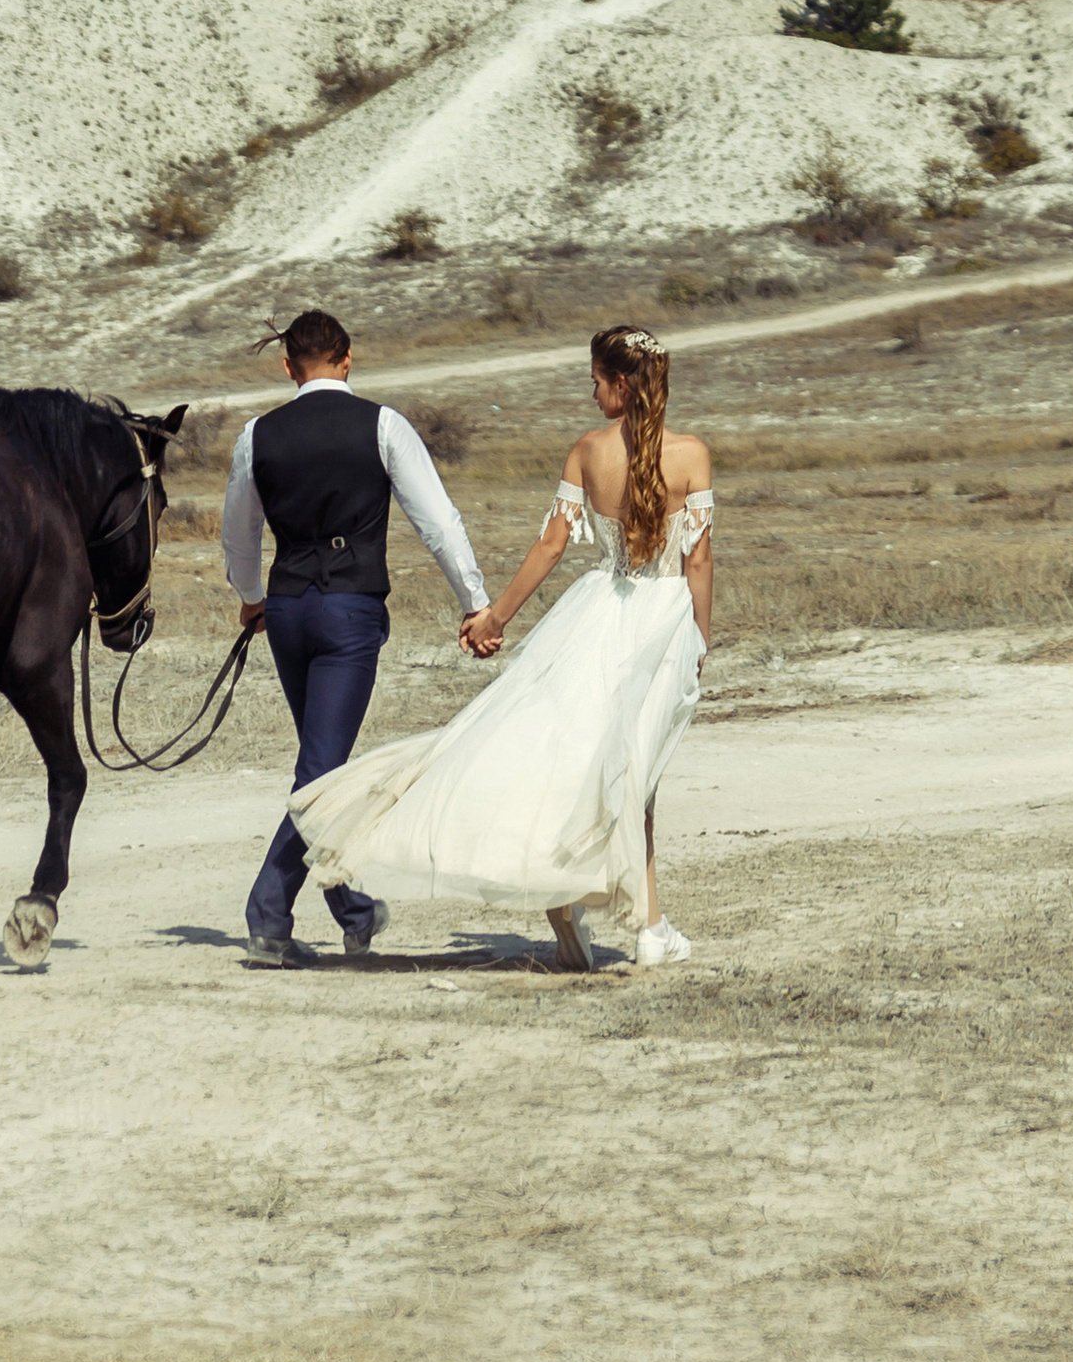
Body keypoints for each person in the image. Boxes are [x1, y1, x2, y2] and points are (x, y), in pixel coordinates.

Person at [290, 323, 712, 971]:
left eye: (596, 379)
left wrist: (496, 618)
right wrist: (700, 638)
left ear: (621, 385)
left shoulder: (586, 453)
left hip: (601, 612)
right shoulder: (692, 455)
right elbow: (699, 560)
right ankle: (649, 928)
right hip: (661, 620)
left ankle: (594, 913)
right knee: (634, 773)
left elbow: (550, 545)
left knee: (570, 758)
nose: (590, 389)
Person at [221, 306, 490, 963]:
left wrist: (252, 597)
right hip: (349, 612)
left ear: (288, 367)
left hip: (286, 610)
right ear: (347, 360)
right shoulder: (383, 424)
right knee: (321, 768)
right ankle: (268, 912)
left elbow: (239, 531)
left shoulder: (257, 434)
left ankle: (353, 909)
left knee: (323, 762)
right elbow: (439, 521)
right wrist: (475, 601)